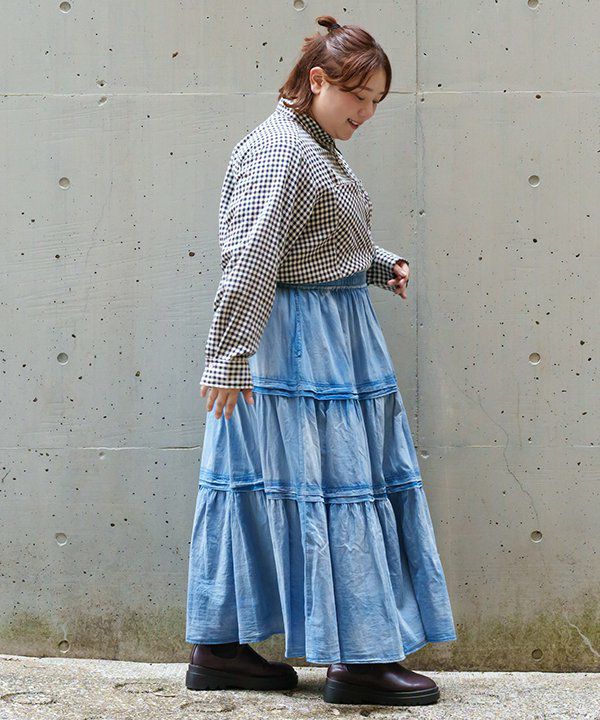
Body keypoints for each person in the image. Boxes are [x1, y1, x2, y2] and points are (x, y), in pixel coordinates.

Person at [184, 15, 457, 707]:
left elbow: (316, 239)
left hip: (322, 340)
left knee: (258, 487)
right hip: (300, 352)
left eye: (376, 102)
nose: (366, 112)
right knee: (334, 488)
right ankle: (358, 660)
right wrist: (228, 358)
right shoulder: (283, 150)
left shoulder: (311, 142)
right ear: (316, 80)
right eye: (357, 97)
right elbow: (253, 256)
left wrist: (377, 263)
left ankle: (221, 648)